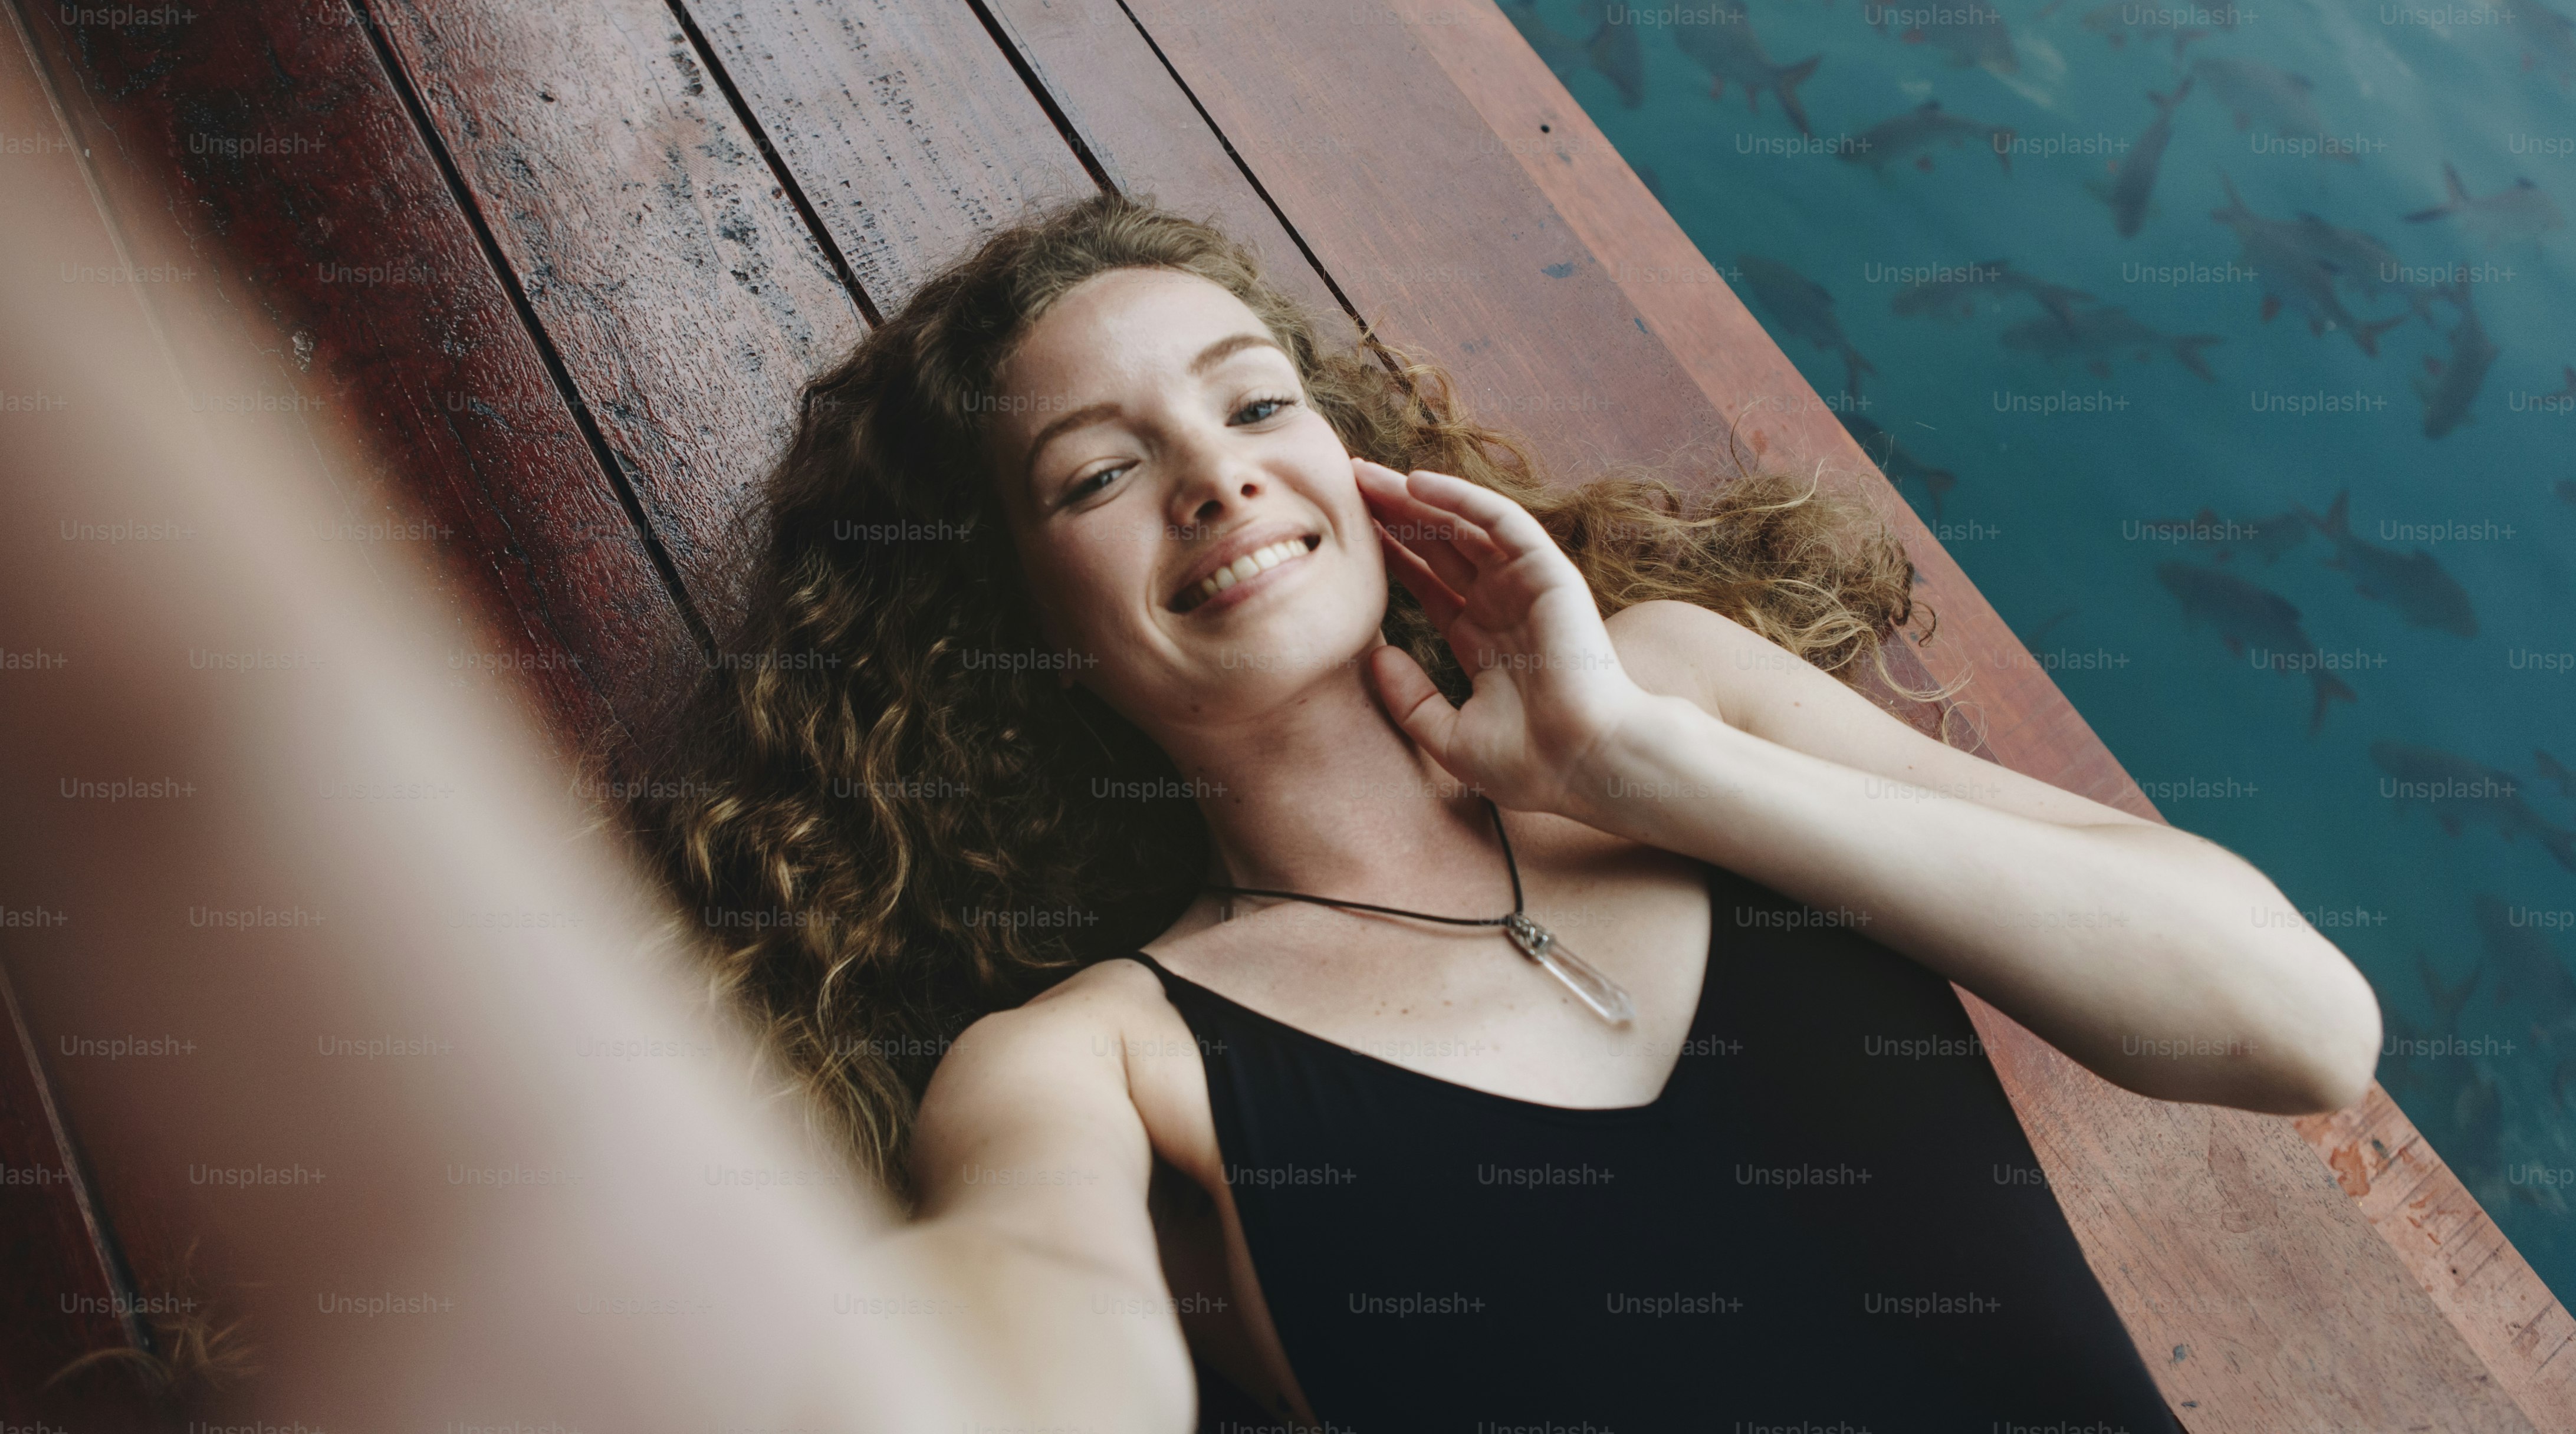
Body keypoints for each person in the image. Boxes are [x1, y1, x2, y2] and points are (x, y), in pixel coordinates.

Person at [629, 192, 2382, 1430]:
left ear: (1349, 456)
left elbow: (2294, 1025)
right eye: (1098, 472)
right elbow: (1035, 1330)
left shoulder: (1684, 691)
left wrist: (1645, 772)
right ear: (1020, 633)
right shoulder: (1092, 1062)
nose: (1214, 472)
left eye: (1253, 400)